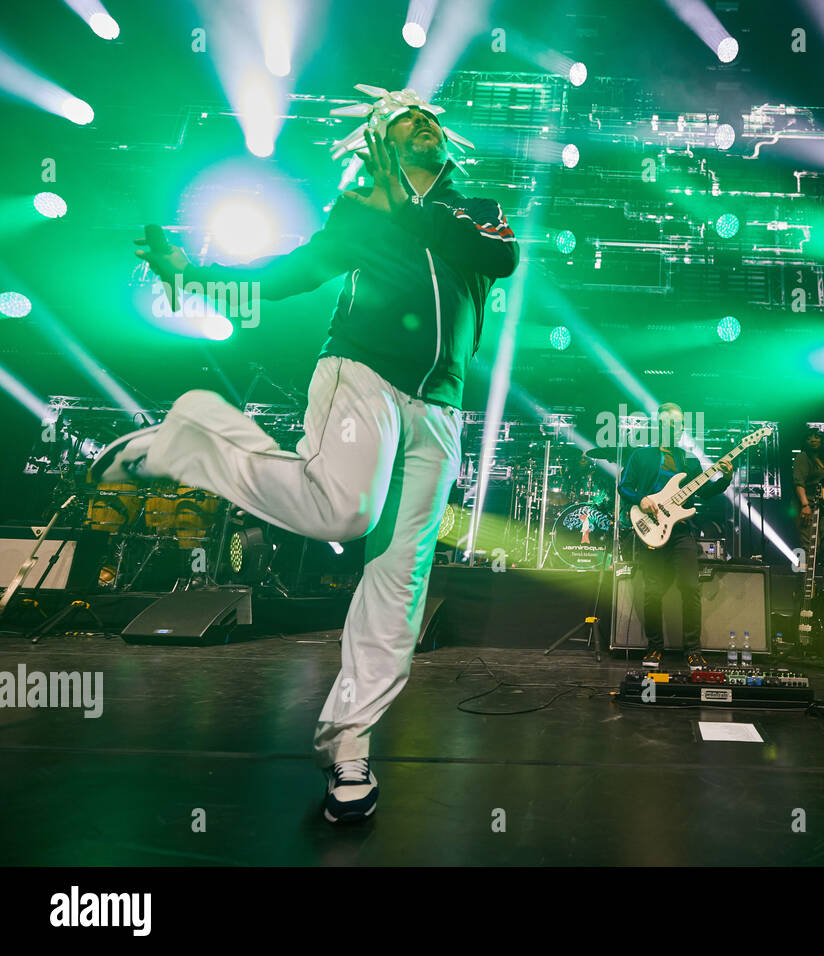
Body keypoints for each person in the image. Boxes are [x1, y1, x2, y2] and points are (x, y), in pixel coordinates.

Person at [91, 85, 518, 823]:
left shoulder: (474, 209)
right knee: (344, 514)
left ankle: (349, 746)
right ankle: (191, 444)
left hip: (441, 410)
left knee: (400, 584)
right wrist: (188, 278)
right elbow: (286, 276)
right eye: (403, 121)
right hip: (363, 373)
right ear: (377, 140)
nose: (420, 126)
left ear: (444, 143)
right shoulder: (360, 211)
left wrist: (402, 198)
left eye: (427, 121)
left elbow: (498, 260)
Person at [617, 403, 732, 670]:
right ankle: (654, 647)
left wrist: (725, 478)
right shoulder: (641, 455)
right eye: (670, 423)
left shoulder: (687, 460)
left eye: (679, 424)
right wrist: (642, 499)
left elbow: (702, 492)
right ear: (659, 425)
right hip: (652, 529)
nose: (676, 428)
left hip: (681, 532)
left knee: (690, 589)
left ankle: (693, 650)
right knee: (653, 590)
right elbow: (624, 486)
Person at [792, 429, 824, 611]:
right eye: (809, 436)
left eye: (817, 437)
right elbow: (799, 482)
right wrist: (805, 504)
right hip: (808, 507)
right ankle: (803, 590)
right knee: (806, 550)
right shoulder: (803, 457)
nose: (813, 439)